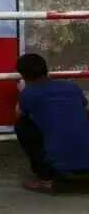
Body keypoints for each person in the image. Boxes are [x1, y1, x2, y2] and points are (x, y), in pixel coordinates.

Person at [15, 52, 89, 193]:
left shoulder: (29, 93)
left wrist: (23, 91)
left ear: (23, 76)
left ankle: (45, 180)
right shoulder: (72, 87)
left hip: (60, 172)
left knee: (22, 125)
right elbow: (84, 110)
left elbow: (18, 114)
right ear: (46, 69)